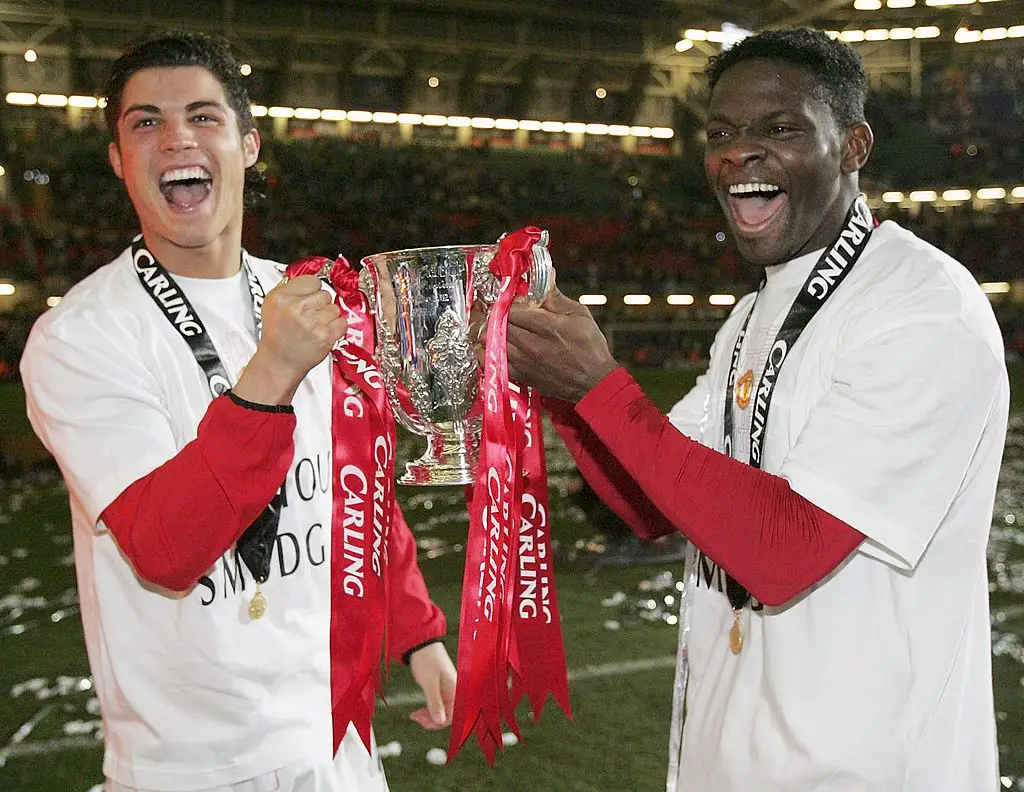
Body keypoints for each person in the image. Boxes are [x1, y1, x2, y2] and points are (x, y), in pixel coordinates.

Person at [497, 27, 1008, 791]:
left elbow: (785, 552)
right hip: (729, 756)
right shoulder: (754, 314)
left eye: (780, 129)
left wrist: (598, 386)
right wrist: (564, 394)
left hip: (866, 767)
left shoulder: (923, 307)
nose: (738, 153)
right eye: (723, 133)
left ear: (854, 147)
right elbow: (651, 509)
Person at [20, 31, 456, 792]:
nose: (177, 138)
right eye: (145, 123)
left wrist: (417, 633)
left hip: (330, 732)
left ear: (249, 144)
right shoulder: (79, 337)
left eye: (203, 117)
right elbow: (164, 546)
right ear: (119, 160)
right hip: (191, 760)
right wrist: (271, 373)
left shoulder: (307, 298)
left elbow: (355, 490)